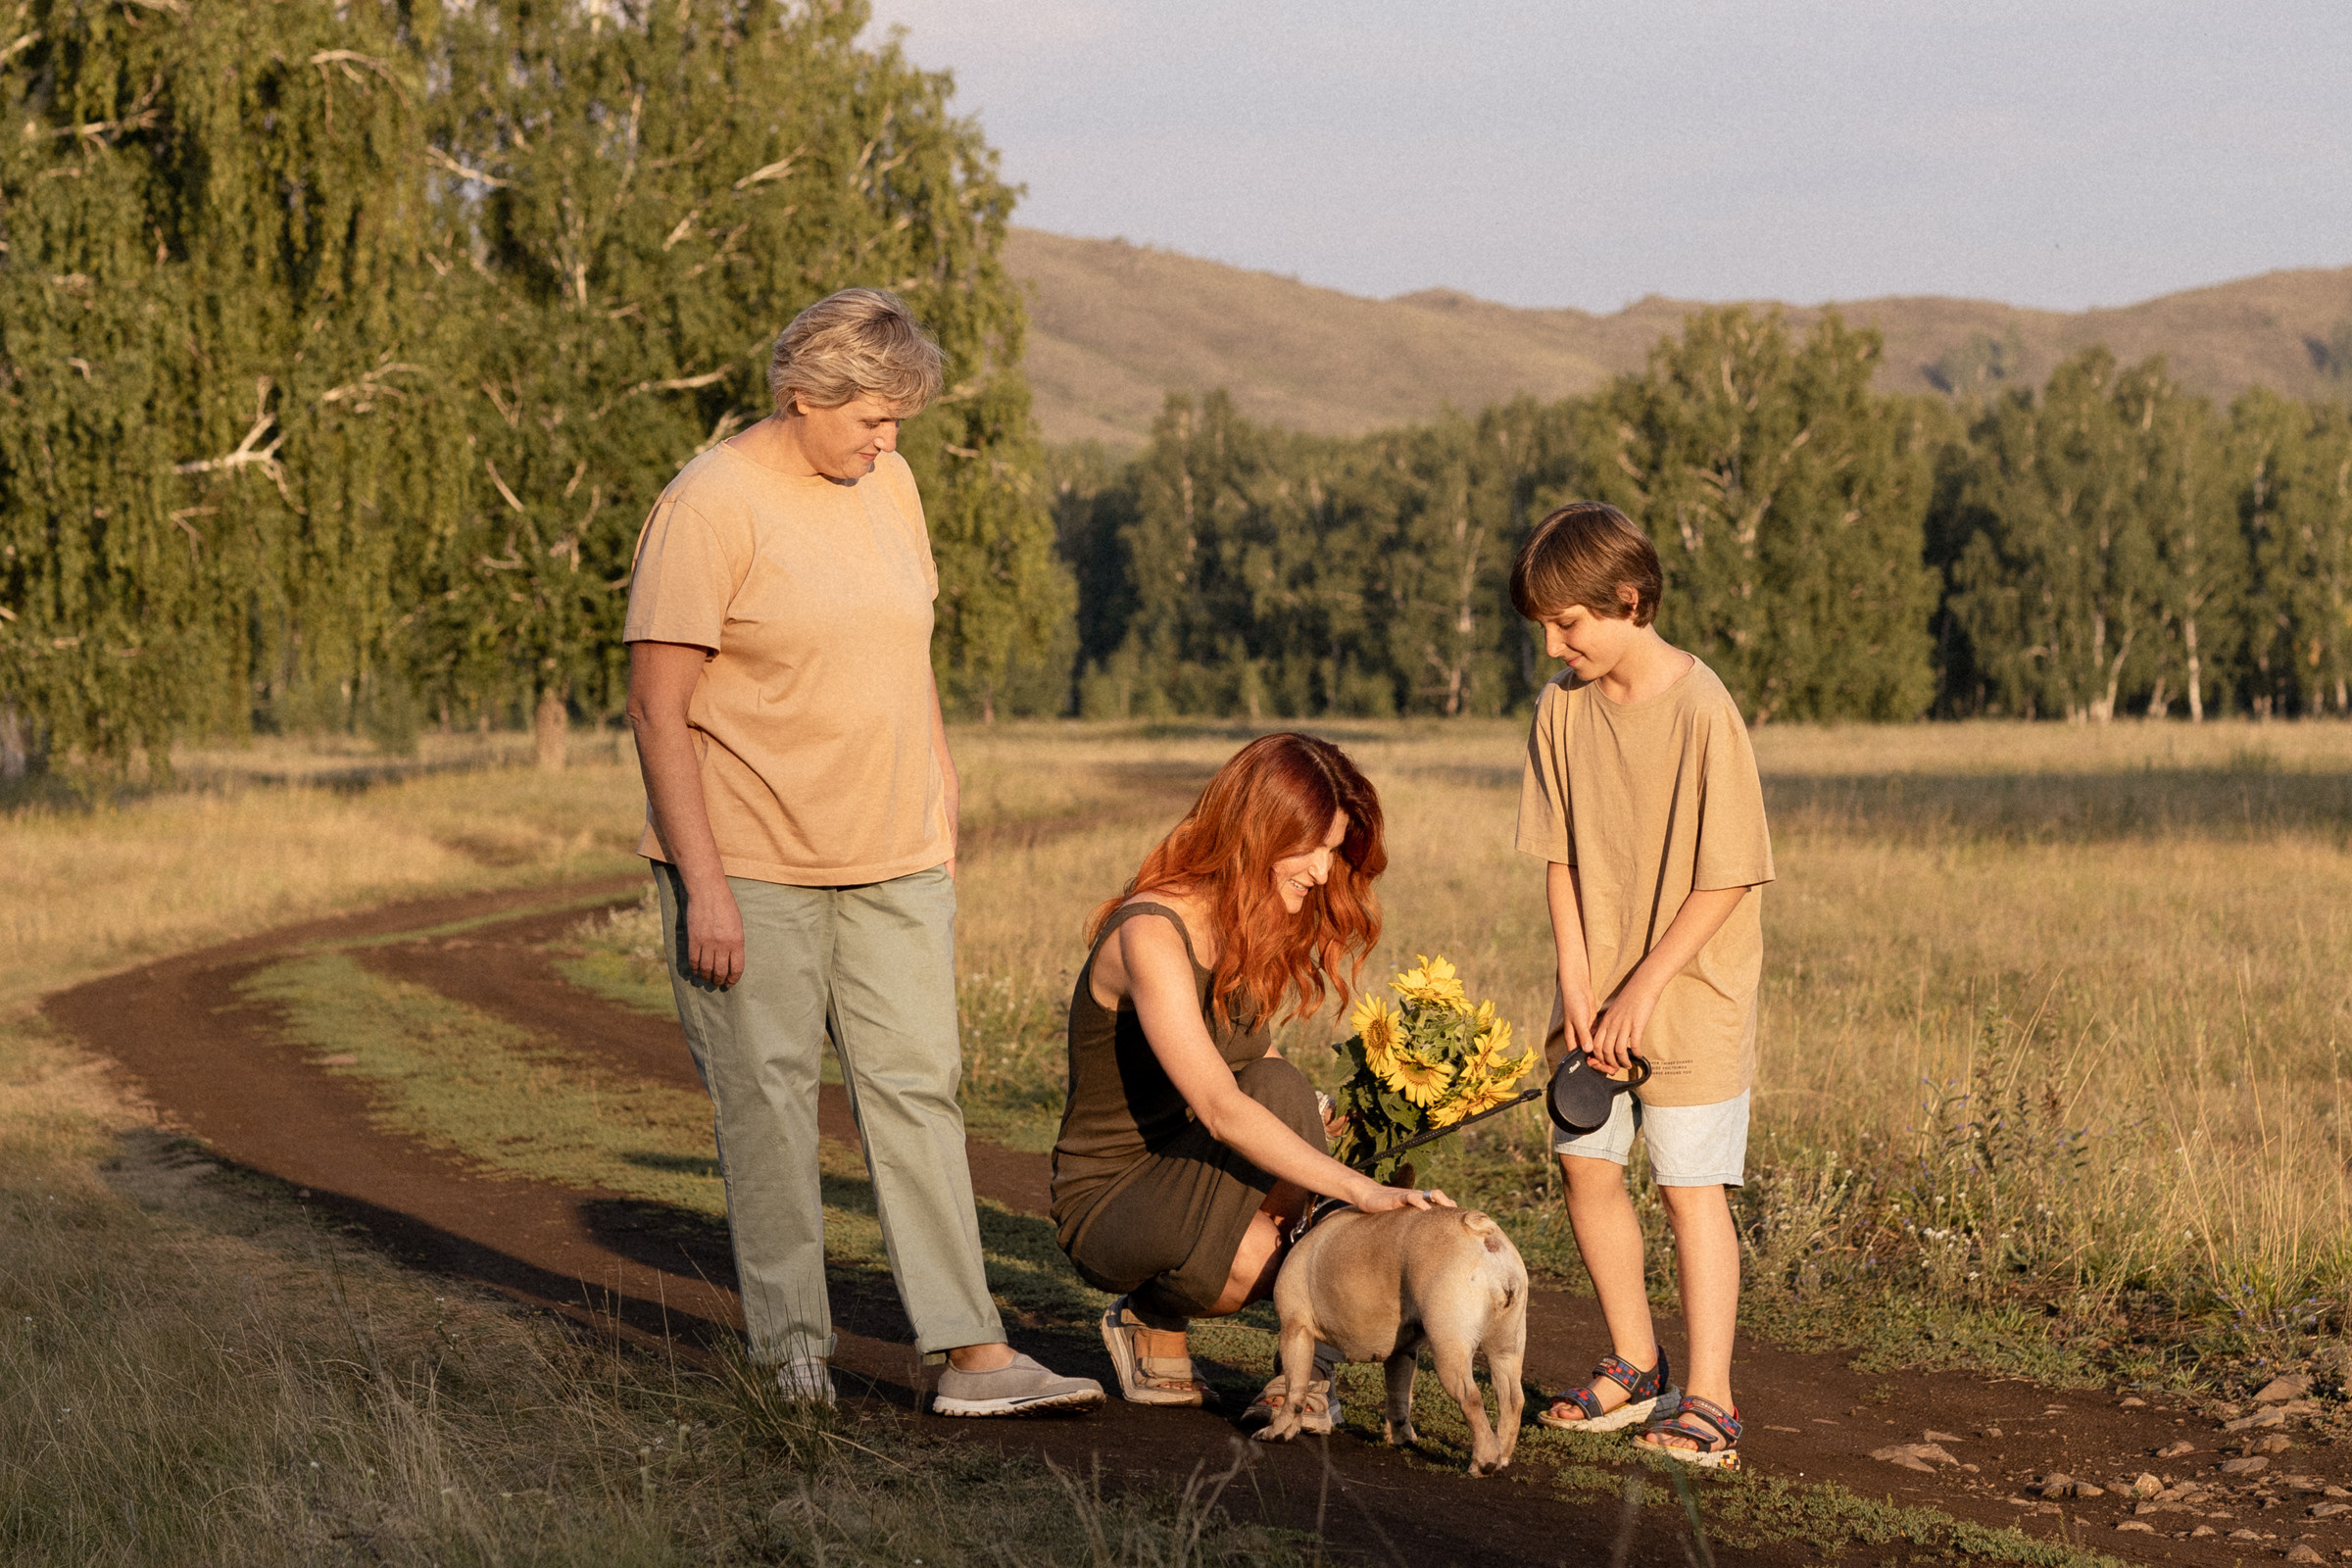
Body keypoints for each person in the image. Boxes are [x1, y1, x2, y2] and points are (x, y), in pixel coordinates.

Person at [622, 287, 1101, 1417]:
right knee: (770, 1103)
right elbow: (656, 707)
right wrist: (705, 888)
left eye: (899, 420)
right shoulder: (709, 505)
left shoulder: (890, 483)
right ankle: (792, 1354)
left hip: (893, 859)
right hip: (749, 868)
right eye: (872, 418)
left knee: (920, 1089)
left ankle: (970, 1353)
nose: (889, 440)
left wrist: (939, 791)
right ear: (804, 395)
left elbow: (908, 646)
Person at [1051, 732, 1453, 1428]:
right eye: (1314, 848)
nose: (1326, 873)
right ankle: (1210, 1333)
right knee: (1260, 1255)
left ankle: (1284, 1365)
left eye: (1335, 850)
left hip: (1186, 1169)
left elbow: (1256, 1064)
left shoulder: (1245, 922)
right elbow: (1219, 1106)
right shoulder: (1150, 933)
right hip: (1113, 1202)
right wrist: (1358, 1191)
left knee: (1288, 1092)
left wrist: (1341, 1116)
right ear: (1259, 831)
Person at [1511, 501, 1775, 1469]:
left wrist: (1642, 992)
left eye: (1569, 621)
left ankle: (1711, 1396)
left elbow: (1730, 873)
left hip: (1690, 990)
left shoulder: (1705, 709)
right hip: (1591, 989)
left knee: (1687, 1185)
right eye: (1543, 623)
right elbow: (1558, 858)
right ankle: (1634, 1362)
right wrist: (1579, 985)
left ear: (1629, 599)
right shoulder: (1559, 709)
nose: (1554, 641)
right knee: (1587, 1165)